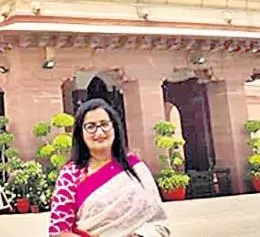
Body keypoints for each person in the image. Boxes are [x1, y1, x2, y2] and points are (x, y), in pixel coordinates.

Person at [48, 98, 171, 237]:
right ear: (80, 133)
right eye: (90, 126)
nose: (99, 133)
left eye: (104, 124)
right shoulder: (70, 175)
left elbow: (158, 222)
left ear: (115, 127)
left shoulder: (135, 167)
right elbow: (59, 231)